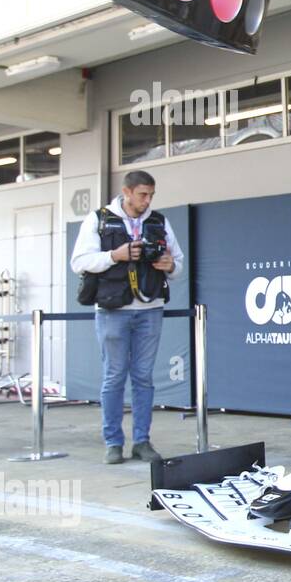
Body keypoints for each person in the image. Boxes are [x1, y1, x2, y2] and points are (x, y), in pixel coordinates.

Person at [70, 170, 184, 465]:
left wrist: (170, 265)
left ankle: (142, 442)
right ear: (127, 192)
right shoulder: (99, 219)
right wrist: (115, 255)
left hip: (150, 309)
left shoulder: (159, 221)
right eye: (142, 195)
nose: (147, 201)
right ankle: (113, 443)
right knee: (114, 377)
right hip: (112, 311)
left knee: (144, 378)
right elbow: (78, 262)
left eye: (151, 195)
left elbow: (180, 266)